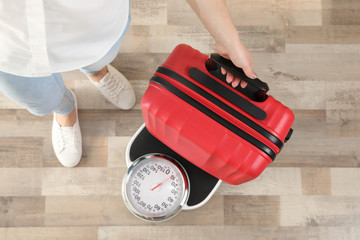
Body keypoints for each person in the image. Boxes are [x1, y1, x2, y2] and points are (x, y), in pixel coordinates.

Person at [0, 0, 257, 168]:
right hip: (9, 52)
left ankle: (97, 72)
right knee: (40, 99)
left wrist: (229, 41)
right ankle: (64, 109)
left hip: (93, 28)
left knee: (101, 56)